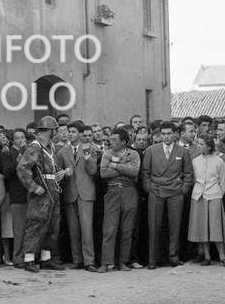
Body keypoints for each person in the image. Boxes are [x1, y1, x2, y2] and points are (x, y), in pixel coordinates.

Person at [17, 116, 67, 274]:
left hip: (53, 189)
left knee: (53, 224)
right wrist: (33, 186)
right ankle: (28, 259)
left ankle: (46, 258)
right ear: (49, 131)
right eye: (55, 130)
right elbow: (22, 168)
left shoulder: (50, 147)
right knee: (36, 224)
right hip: (41, 190)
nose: (57, 133)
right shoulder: (35, 147)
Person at [141, 120, 193, 268]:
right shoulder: (151, 150)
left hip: (175, 192)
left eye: (169, 133)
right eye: (163, 134)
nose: (166, 137)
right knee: (154, 226)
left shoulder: (183, 151)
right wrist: (149, 188)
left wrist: (183, 190)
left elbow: (188, 174)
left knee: (175, 226)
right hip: (156, 190)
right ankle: (152, 259)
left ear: (175, 134)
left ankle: (173, 257)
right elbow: (145, 173)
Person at [57, 122, 99, 271]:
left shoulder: (91, 149)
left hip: (86, 192)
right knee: (73, 228)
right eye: (69, 131)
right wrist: (64, 173)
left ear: (81, 134)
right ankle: (77, 259)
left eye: (73, 131)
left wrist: (87, 158)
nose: (70, 134)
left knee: (86, 228)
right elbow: (59, 172)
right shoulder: (62, 151)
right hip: (70, 192)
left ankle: (89, 261)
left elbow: (93, 172)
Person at [99, 128, 141, 272]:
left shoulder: (134, 154)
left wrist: (115, 165)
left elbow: (135, 171)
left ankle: (123, 261)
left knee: (127, 229)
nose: (111, 142)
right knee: (109, 228)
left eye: (114, 140)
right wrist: (125, 168)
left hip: (130, 192)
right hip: (112, 192)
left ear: (124, 142)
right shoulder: (107, 153)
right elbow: (103, 173)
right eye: (110, 139)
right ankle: (106, 262)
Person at [189, 136, 225, 265]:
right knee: (202, 227)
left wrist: (217, 195)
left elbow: (223, 182)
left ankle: (222, 256)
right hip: (199, 196)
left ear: (209, 146)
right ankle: (207, 256)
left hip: (214, 196)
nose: (199, 146)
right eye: (198, 144)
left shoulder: (219, 161)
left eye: (202, 144)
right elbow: (194, 179)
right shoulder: (195, 161)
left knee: (216, 226)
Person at [1, 129, 29, 266]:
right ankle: (17, 258)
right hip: (16, 195)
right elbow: (7, 172)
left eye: (23, 137)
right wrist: (20, 156)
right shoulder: (8, 154)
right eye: (17, 138)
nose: (20, 140)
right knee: (19, 229)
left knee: (29, 229)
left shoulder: (30, 152)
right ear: (13, 140)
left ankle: (28, 257)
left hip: (30, 194)